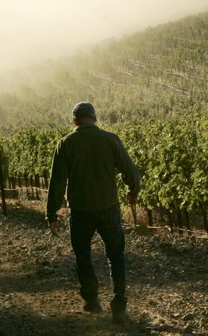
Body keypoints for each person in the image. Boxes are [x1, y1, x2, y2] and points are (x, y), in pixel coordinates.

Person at [46, 102, 141, 324]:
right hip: (108, 208)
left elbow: (57, 182)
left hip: (80, 212)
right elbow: (131, 171)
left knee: (83, 255)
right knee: (116, 256)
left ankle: (92, 301)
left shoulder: (66, 144)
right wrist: (133, 192)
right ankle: (119, 304)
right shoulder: (111, 139)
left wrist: (51, 214)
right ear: (95, 118)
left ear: (74, 121)